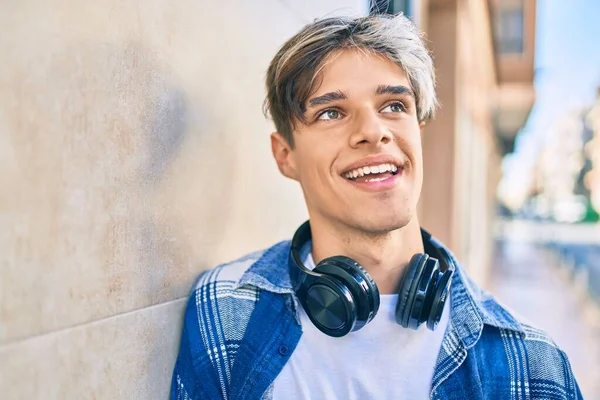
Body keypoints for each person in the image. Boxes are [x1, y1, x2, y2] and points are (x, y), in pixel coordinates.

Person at [170, 13, 582, 400]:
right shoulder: (226, 310)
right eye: (331, 112)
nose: (373, 131)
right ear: (285, 155)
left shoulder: (535, 367)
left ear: (418, 133)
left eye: (394, 106)